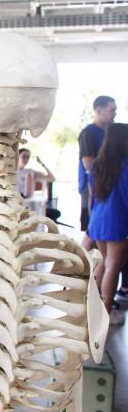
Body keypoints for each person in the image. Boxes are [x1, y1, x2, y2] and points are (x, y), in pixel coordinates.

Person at [88, 123, 128, 326]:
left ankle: (93, 309)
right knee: (113, 265)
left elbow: (91, 197)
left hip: (98, 219)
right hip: (117, 220)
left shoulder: (97, 164)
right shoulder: (126, 166)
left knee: (104, 262)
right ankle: (106, 313)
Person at [79, 95, 116, 233]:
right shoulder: (88, 133)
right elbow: (88, 163)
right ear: (99, 110)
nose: (115, 114)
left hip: (112, 189)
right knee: (92, 231)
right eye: (112, 110)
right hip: (93, 188)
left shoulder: (113, 133)